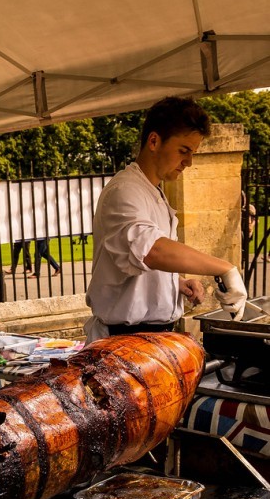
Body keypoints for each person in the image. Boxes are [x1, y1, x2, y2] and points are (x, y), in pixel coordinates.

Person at [84, 96, 247, 343]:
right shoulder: (124, 191)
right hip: (124, 342)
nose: (189, 162)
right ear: (154, 141)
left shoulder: (154, 192)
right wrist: (225, 268)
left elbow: (133, 262)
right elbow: (152, 250)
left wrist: (174, 282)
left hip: (153, 339)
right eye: (184, 151)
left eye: (193, 153)